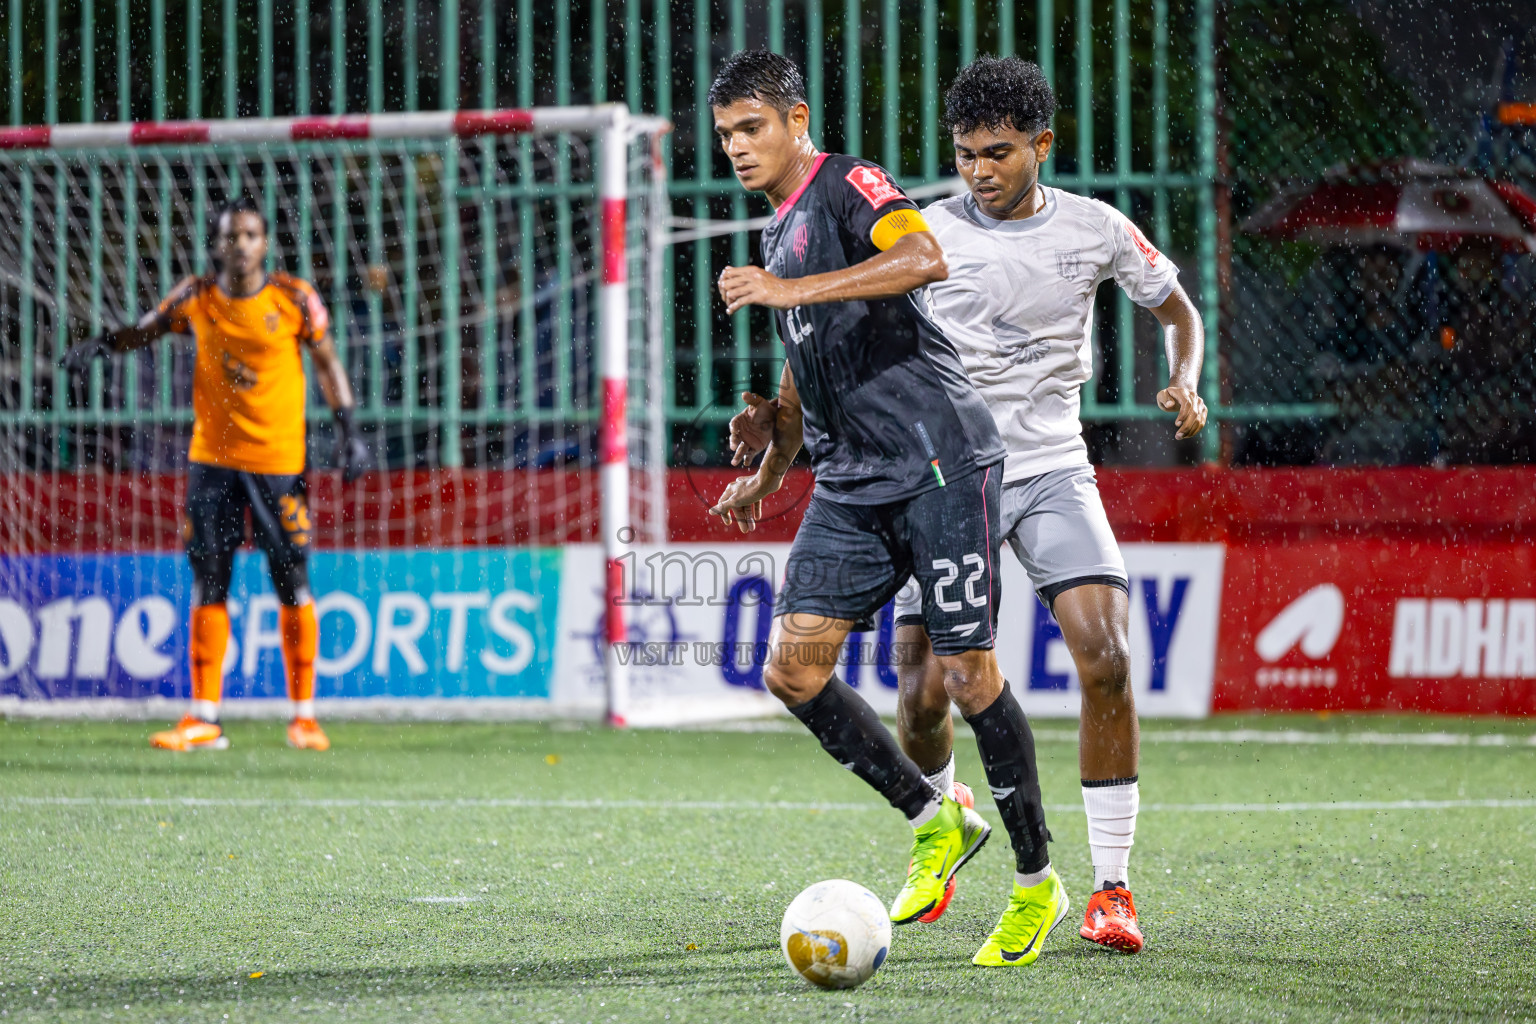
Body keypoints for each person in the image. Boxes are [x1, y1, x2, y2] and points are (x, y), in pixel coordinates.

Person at [730, 56, 1209, 954]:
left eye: (998, 153)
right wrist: (780, 421)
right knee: (919, 694)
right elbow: (829, 333)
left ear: (1042, 145)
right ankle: (940, 837)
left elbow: (1176, 307)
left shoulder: (1095, 228)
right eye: (965, 154)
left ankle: (1108, 886)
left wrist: (1185, 381)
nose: (980, 171)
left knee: (1103, 656)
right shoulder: (920, 228)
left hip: (1047, 468)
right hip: (934, 472)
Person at [706, 50, 1067, 968]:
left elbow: (922, 255)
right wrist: (771, 462)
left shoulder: (848, 183)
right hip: (850, 479)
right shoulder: (778, 228)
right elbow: (805, 363)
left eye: (751, 128)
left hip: (940, 461)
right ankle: (934, 816)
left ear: (795, 121)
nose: (738, 148)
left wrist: (788, 290)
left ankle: (1037, 884)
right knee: (792, 672)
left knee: (969, 675)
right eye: (725, 136)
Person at [62, 197, 370, 753]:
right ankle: (204, 716)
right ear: (217, 244)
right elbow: (146, 330)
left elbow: (327, 364)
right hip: (213, 463)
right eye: (231, 235)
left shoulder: (294, 298)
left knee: (292, 582)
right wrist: (104, 345)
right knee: (210, 580)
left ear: (265, 243)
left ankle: (304, 716)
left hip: (279, 465)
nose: (240, 245)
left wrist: (349, 431)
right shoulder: (196, 297)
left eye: (250, 234)